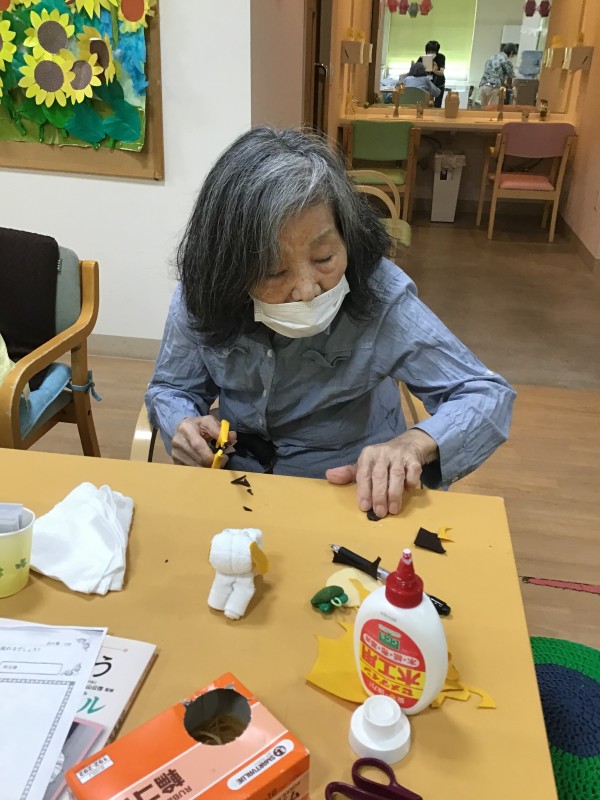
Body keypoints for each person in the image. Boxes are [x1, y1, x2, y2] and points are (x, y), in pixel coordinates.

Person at [147, 127, 515, 519]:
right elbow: (171, 387)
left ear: (346, 237)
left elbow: (484, 394)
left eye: (324, 258)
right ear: (229, 269)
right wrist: (181, 422)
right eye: (273, 271)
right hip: (235, 486)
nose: (308, 291)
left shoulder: (379, 294)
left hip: (351, 491)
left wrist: (412, 445)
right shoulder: (204, 293)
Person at [479, 44, 518, 108]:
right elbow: (511, 76)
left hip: (482, 86)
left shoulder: (491, 57)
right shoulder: (506, 61)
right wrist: (512, 88)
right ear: (511, 52)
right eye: (513, 55)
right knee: (493, 110)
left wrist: (503, 83)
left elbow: (493, 74)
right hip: (493, 88)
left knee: (484, 110)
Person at [418, 41, 445, 108]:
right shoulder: (422, 58)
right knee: (425, 104)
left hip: (439, 84)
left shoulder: (441, 57)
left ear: (436, 51)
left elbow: (441, 73)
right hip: (426, 84)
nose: (430, 53)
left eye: (432, 52)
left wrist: (434, 70)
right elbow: (415, 70)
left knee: (437, 105)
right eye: (428, 51)